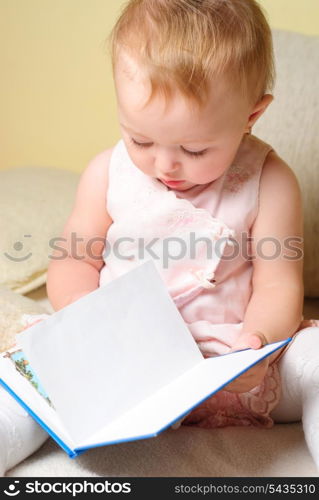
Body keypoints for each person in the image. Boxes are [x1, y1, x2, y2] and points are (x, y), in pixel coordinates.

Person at [1, 0, 319, 475]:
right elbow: (73, 261)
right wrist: (84, 320)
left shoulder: (269, 181)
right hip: (120, 355)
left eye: (194, 149)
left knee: (313, 362)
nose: (164, 165)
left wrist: (258, 342)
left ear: (252, 115)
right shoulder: (107, 172)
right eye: (140, 139)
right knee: (25, 380)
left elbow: (278, 284)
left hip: (225, 365)